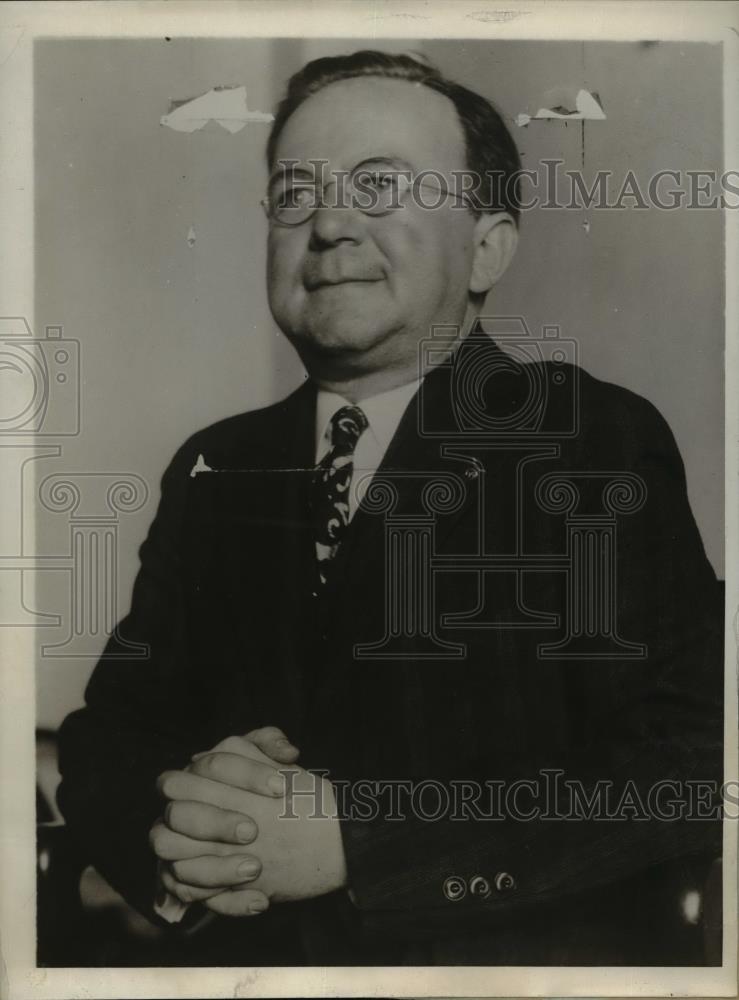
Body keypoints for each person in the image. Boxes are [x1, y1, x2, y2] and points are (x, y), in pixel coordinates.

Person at [57, 50, 723, 966]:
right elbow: (111, 732)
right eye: (294, 193)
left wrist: (357, 842)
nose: (327, 223)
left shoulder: (587, 436)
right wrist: (180, 835)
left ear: (487, 245)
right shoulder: (216, 465)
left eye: (380, 186)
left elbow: (690, 760)